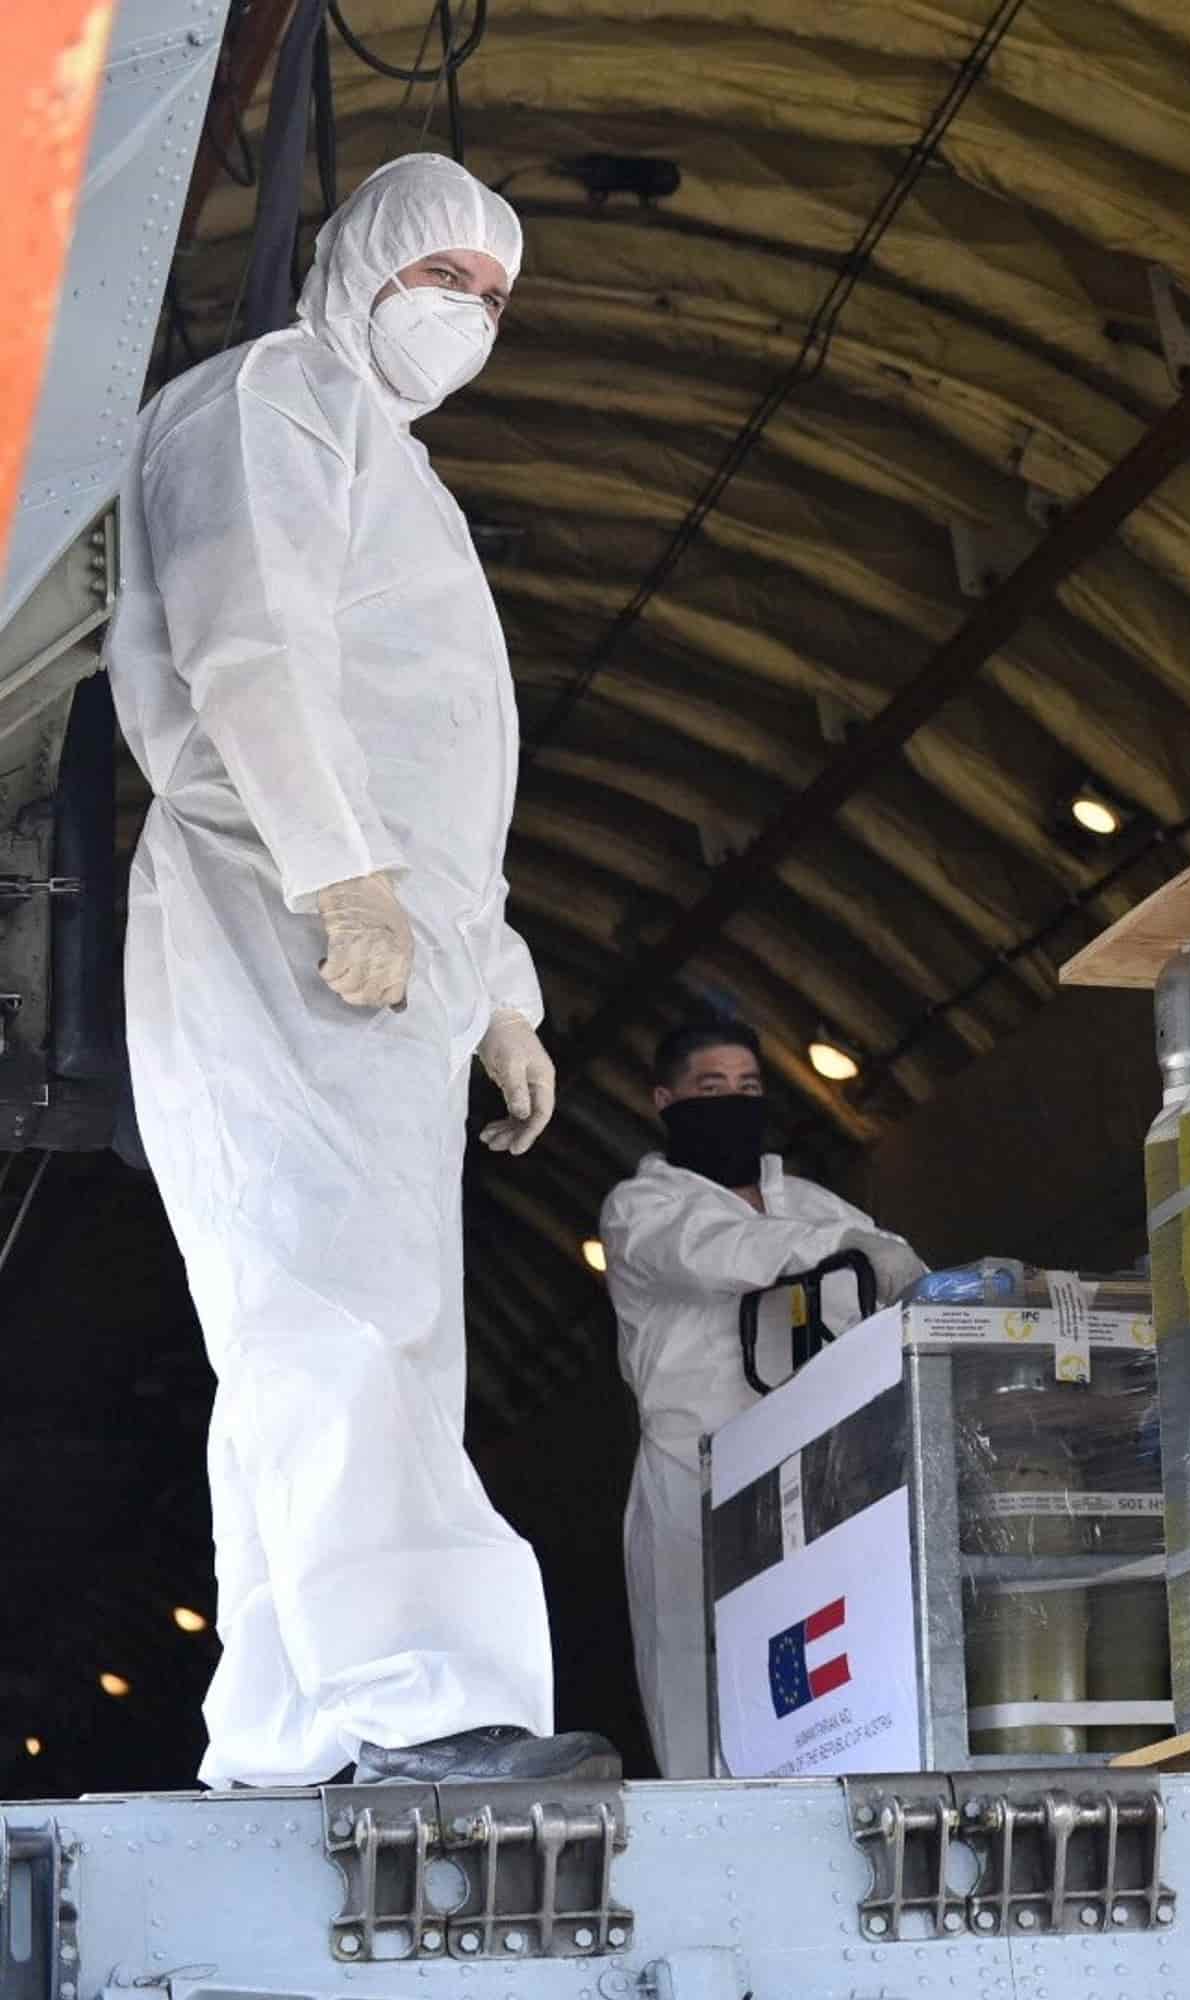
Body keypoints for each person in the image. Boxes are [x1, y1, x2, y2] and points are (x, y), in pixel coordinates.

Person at [107, 153, 611, 1786]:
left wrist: (503, 989)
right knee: (334, 1307)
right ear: (360, 261)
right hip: (283, 907)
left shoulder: (408, 481)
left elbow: (441, 765)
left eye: (496, 296)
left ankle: (287, 1725)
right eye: (441, 274)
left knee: (336, 1319)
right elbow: (248, 640)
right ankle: (419, 1695)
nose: (469, 312)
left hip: (391, 956)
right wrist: (339, 873)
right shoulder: (269, 403)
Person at [602, 1020, 930, 1778]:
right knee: (698, 1666)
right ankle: (706, 1816)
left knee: (823, 1657)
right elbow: (719, 1251)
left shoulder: (811, 1203)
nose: (732, 1101)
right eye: (711, 1087)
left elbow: (898, 1276)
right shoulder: (641, 1208)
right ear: (666, 1100)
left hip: (815, 1469)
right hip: (695, 1474)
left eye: (747, 1087)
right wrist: (851, 1251)